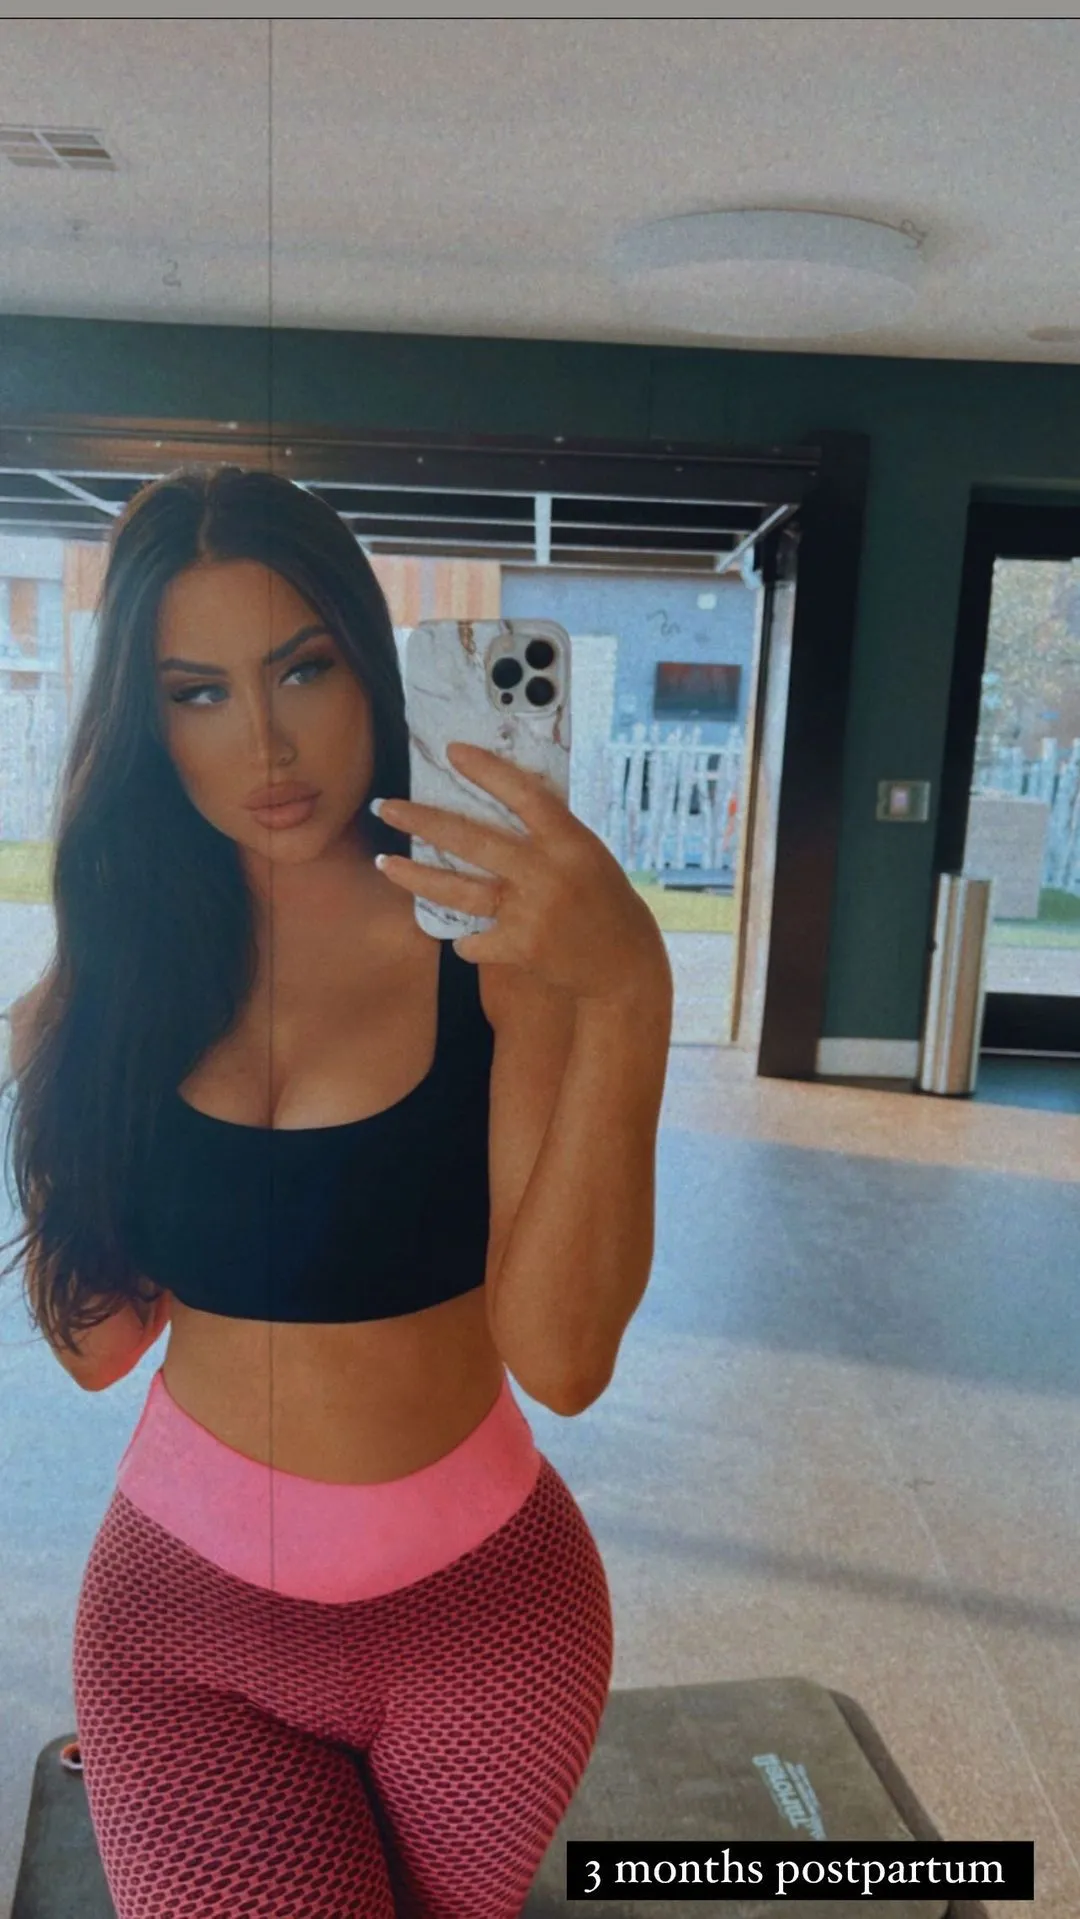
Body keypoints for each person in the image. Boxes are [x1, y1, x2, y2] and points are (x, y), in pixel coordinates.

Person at [1, 465, 673, 1919]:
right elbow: (98, 1346)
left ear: (370, 666)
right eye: (197, 692)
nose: (265, 741)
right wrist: (62, 1073)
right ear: (145, 724)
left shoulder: (490, 952)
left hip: (489, 1622)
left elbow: (563, 1362)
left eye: (302, 668)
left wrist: (627, 992)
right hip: (184, 1633)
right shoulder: (122, 985)